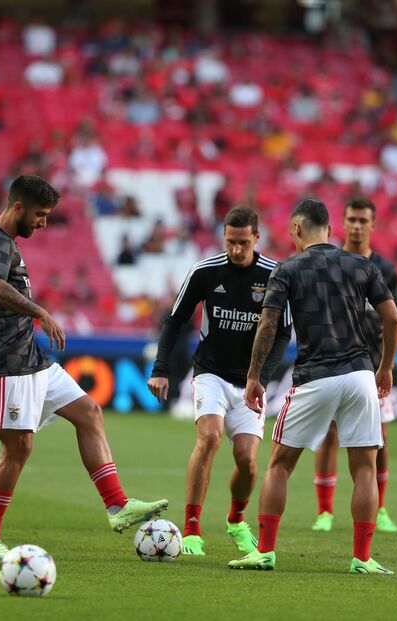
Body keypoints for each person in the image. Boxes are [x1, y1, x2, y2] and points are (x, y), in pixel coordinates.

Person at [0, 175, 168, 560]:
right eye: (40, 214)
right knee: (18, 448)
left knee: (88, 412)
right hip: (4, 364)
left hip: (30, 358)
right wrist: (40, 312)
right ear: (18, 208)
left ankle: (117, 506)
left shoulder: (1, 245)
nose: (43, 222)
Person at [228, 199, 397, 574]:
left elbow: (269, 325)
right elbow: (392, 317)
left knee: (279, 465)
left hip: (315, 376)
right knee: (365, 469)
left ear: (296, 230)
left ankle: (266, 551)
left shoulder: (288, 269)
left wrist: (255, 377)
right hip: (359, 375)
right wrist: (384, 368)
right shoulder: (361, 265)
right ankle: (362, 558)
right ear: (332, 230)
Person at [147, 207, 292, 557]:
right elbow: (174, 320)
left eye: (243, 242)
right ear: (223, 237)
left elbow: (284, 335)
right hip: (210, 373)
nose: (237, 250)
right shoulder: (205, 271)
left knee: (248, 461)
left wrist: (262, 379)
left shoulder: (275, 275)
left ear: (257, 238)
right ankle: (193, 528)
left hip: (250, 382)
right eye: (230, 242)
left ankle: (236, 519)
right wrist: (161, 368)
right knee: (209, 438)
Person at [311, 198, 397, 534]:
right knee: (330, 435)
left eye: (363, 220)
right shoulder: (332, 263)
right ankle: (325, 511)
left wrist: (390, 350)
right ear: (343, 222)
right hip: (337, 364)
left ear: (373, 224)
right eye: (351, 219)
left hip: (375, 364)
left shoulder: (386, 270)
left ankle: (379, 508)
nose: (357, 226)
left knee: (378, 438)